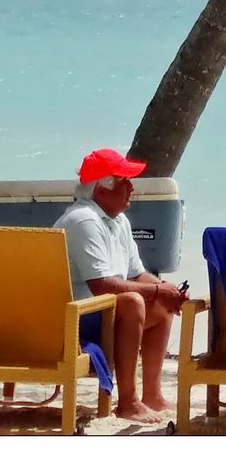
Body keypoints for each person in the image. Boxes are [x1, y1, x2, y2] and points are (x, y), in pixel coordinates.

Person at [56, 147, 186, 422]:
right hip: (76, 319)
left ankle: (152, 395)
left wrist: (168, 291)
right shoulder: (83, 220)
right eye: (124, 181)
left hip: (101, 313)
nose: (131, 188)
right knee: (133, 301)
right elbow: (102, 286)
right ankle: (128, 402)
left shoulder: (118, 221)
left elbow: (136, 274)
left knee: (161, 304)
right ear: (101, 190)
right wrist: (157, 290)